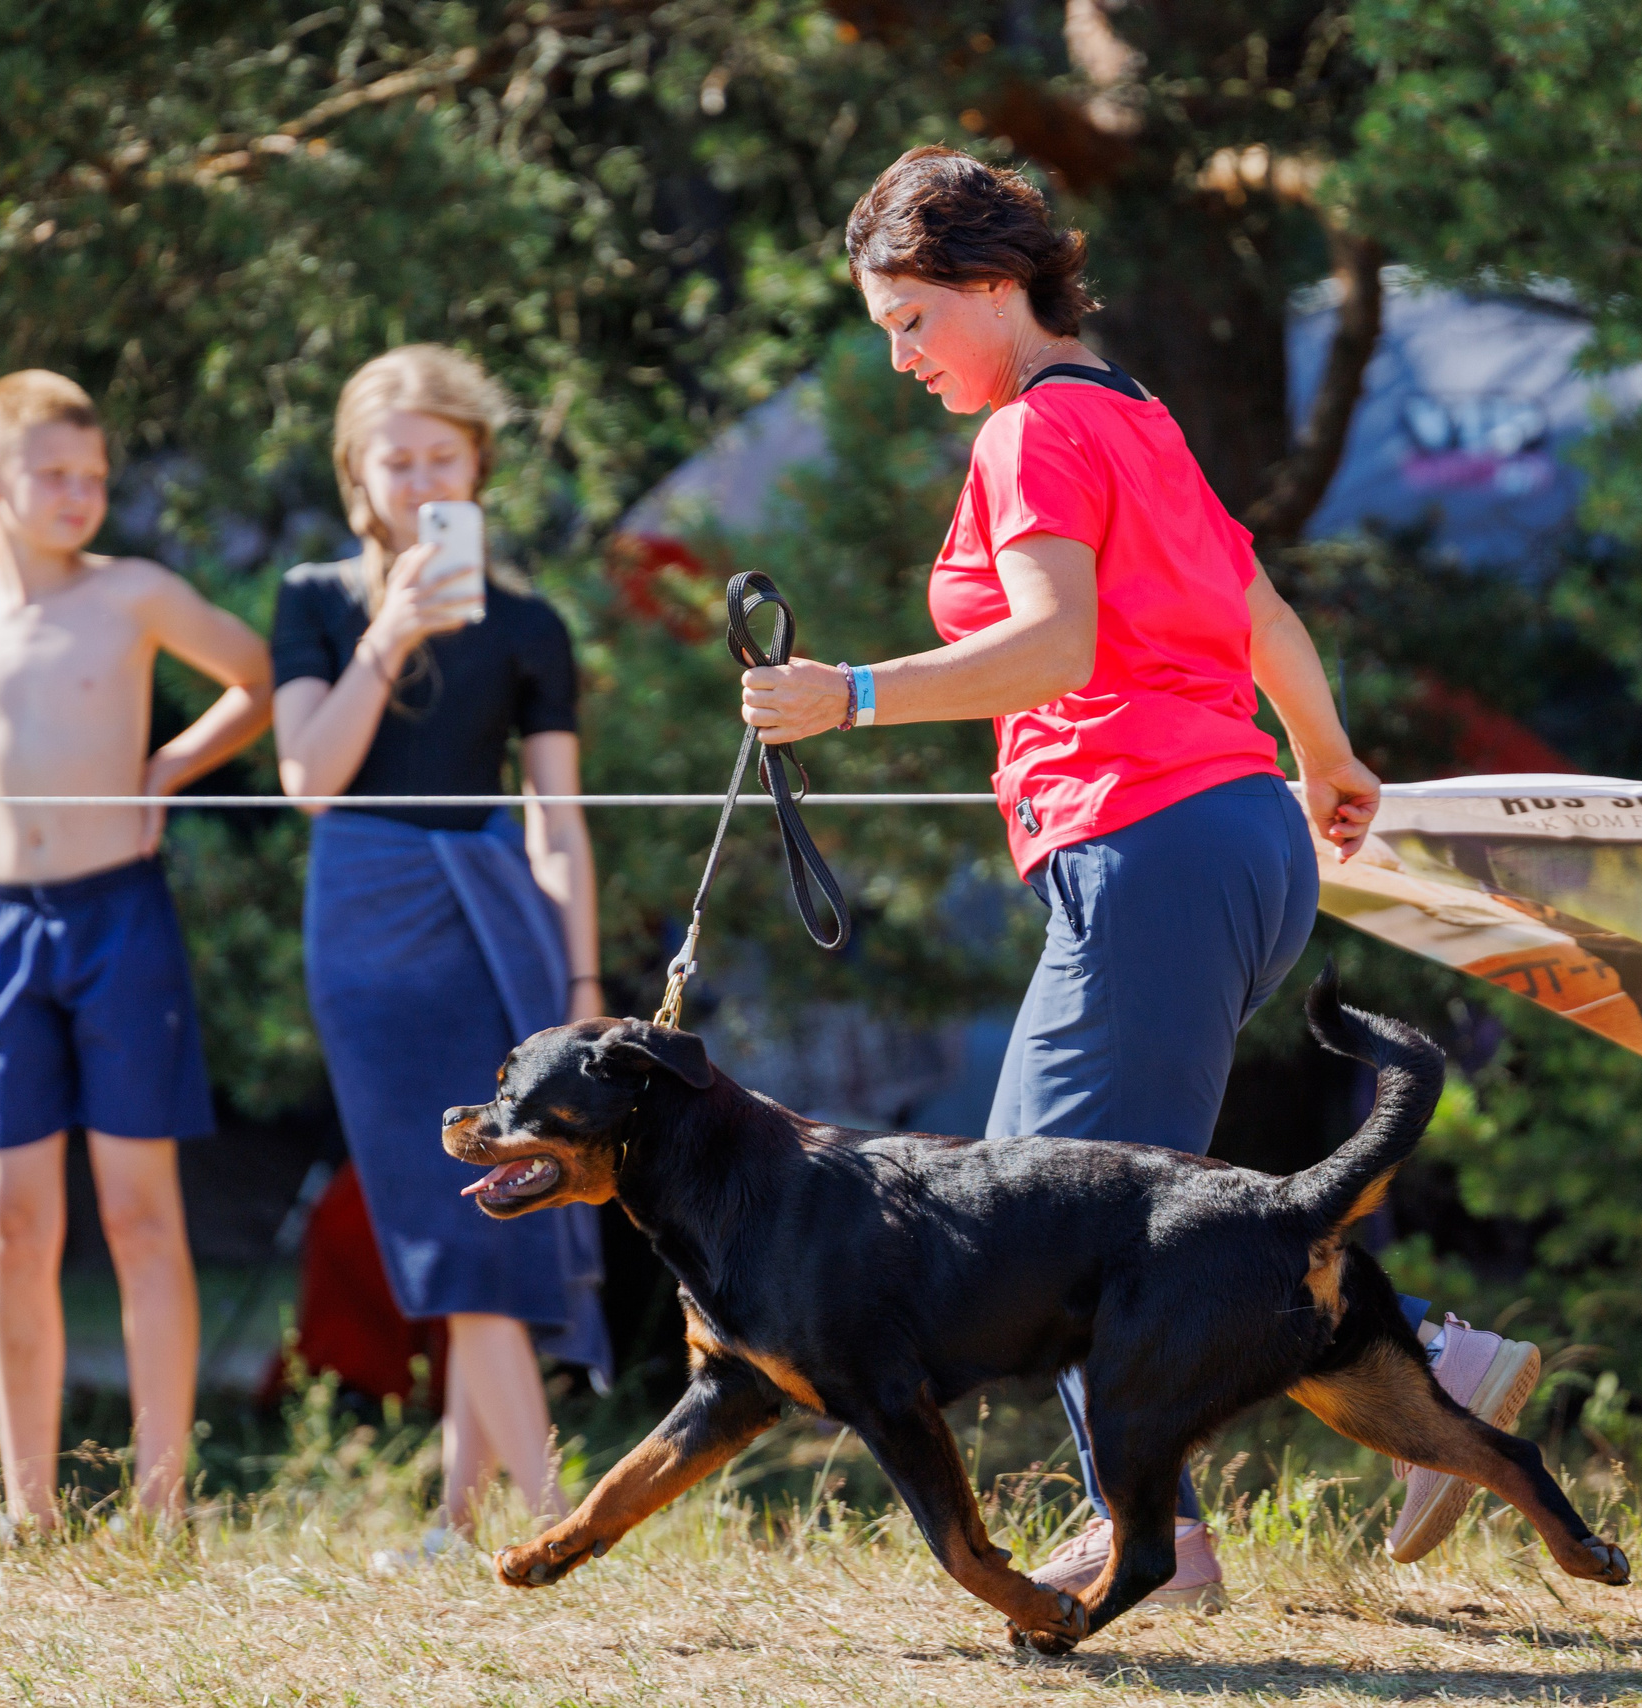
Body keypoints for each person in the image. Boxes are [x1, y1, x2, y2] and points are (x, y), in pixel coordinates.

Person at [740, 146, 1543, 1599]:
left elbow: (1053, 647)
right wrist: (1326, 757)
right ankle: (1411, 1377)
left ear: (995, 284)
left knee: (1029, 1217)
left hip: (1151, 844)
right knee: (1083, 1202)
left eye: (913, 319)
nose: (903, 358)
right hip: (1228, 840)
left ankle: (1166, 1532)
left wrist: (844, 696)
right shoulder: (1140, 416)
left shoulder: (1035, 433)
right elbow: (1257, 608)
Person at [0, 370, 273, 1525]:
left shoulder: (137, 593)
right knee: (13, 1214)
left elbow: (254, 679)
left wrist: (166, 767)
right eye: (52, 475)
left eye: (93, 478)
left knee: (138, 1211)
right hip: (2, 924)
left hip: (119, 918)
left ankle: (160, 1504)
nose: (77, 495)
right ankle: (30, 1503)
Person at [271, 345, 612, 1566]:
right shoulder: (315, 596)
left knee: (495, 1215)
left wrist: (578, 989)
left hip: (497, 916)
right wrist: (388, 633)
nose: (418, 479)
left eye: (441, 456)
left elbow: (557, 819)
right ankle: (543, 1525)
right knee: (446, 1216)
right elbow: (307, 781)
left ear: (477, 465)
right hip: (367, 916)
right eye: (394, 459)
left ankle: (478, 1524)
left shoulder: (529, 624)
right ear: (358, 476)